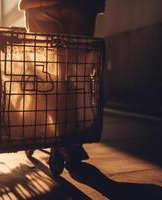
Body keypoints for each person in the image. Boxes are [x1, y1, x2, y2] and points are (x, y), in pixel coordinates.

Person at [19, 0, 105, 167]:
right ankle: (67, 139)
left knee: (49, 75)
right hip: (80, 7)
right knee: (74, 74)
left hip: (40, 7)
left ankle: (52, 136)